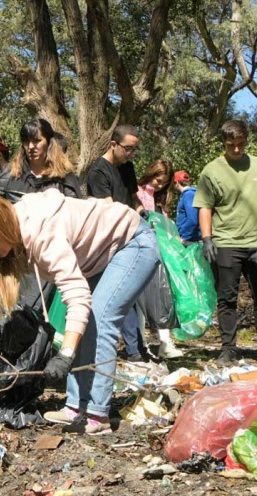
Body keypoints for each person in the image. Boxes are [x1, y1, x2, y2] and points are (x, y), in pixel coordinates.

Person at [0, 192, 158, 434]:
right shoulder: (18, 232)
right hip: (101, 256)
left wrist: (65, 354)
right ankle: (75, 407)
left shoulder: (44, 236)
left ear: (3, 225)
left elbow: (78, 297)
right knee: (86, 322)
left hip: (132, 243)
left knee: (100, 317)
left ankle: (97, 415)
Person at [193, 119, 257, 365]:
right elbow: (205, 206)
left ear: (247, 140)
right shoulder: (211, 171)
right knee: (227, 298)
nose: (236, 149)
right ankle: (228, 349)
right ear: (223, 142)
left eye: (241, 144)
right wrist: (207, 238)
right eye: (231, 145)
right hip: (226, 243)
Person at [85, 125, 147, 362]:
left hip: (130, 234)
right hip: (108, 241)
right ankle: (125, 350)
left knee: (130, 296)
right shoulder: (98, 172)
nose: (131, 154)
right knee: (114, 294)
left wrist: (142, 211)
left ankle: (134, 348)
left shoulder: (127, 167)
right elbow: (109, 211)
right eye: (128, 149)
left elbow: (133, 197)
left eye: (134, 150)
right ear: (113, 144)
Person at [134, 159, 183, 359]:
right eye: (157, 180)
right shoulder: (137, 193)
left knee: (160, 296)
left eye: (163, 182)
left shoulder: (161, 200)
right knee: (138, 300)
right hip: (138, 249)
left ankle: (165, 342)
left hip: (159, 253)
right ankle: (141, 344)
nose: (159, 184)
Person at [0, 118, 82, 202]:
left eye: (36, 141)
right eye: (26, 142)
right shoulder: (9, 176)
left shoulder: (64, 176)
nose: (30, 147)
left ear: (48, 142)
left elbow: (75, 213)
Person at [173, 170, 201, 246]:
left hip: (191, 240)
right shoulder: (190, 194)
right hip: (190, 238)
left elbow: (192, 220)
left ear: (177, 182)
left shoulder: (189, 195)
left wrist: (184, 237)